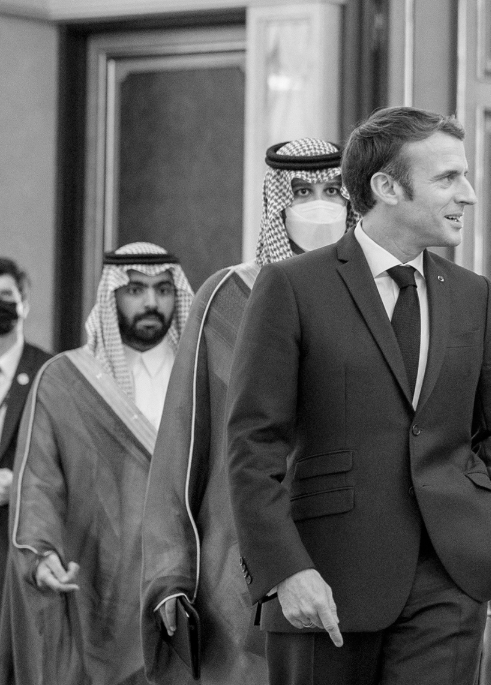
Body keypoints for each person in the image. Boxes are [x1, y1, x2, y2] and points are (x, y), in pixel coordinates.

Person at [225, 106, 491, 685]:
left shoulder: (472, 295)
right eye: (447, 178)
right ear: (385, 186)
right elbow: (252, 443)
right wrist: (286, 571)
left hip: (451, 578)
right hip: (324, 580)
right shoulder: (291, 286)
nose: (467, 195)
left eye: (464, 177)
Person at [141, 138, 355, 684]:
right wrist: (170, 574)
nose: (319, 205)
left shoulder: (382, 297)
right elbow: (183, 445)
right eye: (302, 191)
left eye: (333, 190)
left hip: (360, 558)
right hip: (239, 570)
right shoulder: (226, 297)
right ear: (274, 201)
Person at [0, 243, 192, 684]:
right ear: (110, 296)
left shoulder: (203, 374)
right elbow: (39, 483)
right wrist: (41, 554)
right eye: (135, 289)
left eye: (163, 289)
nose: (151, 302)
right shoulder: (66, 381)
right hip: (99, 585)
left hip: (192, 586)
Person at [0, 258, 52, 594]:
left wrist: (19, 482)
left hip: (19, 539)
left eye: (6, 294)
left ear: (24, 304)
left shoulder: (47, 370)